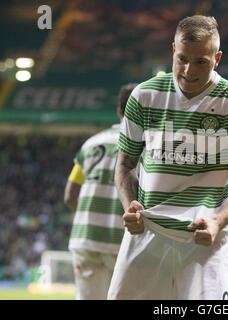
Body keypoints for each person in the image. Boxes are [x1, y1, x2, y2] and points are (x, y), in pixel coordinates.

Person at [108, 15, 228, 300]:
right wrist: (128, 204)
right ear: (172, 50)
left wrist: (218, 221)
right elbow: (124, 164)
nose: (188, 70)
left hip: (204, 243)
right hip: (147, 234)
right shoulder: (145, 96)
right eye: (182, 59)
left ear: (217, 58)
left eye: (201, 62)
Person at [64, 83, 137, 300]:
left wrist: (87, 221)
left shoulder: (92, 143)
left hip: (85, 239)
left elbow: (70, 195)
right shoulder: (147, 145)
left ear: (119, 111)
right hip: (123, 239)